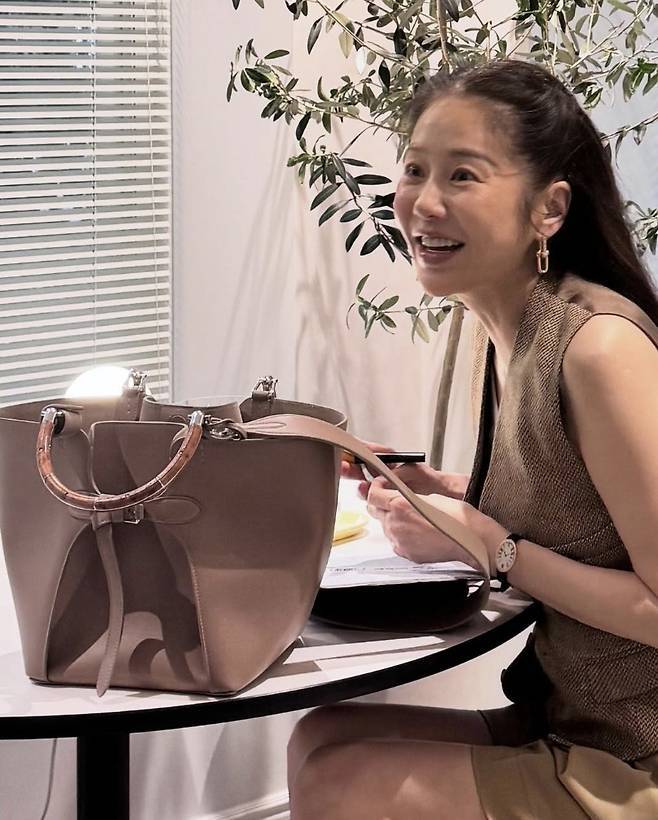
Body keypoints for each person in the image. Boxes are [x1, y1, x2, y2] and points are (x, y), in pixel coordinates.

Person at [286, 58, 658, 819]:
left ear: (549, 208)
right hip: (576, 719)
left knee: (341, 782)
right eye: (414, 169)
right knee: (320, 736)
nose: (423, 202)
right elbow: (586, 510)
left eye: (462, 175)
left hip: (638, 753)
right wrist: (448, 497)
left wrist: (493, 546)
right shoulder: (505, 330)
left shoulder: (597, 347)